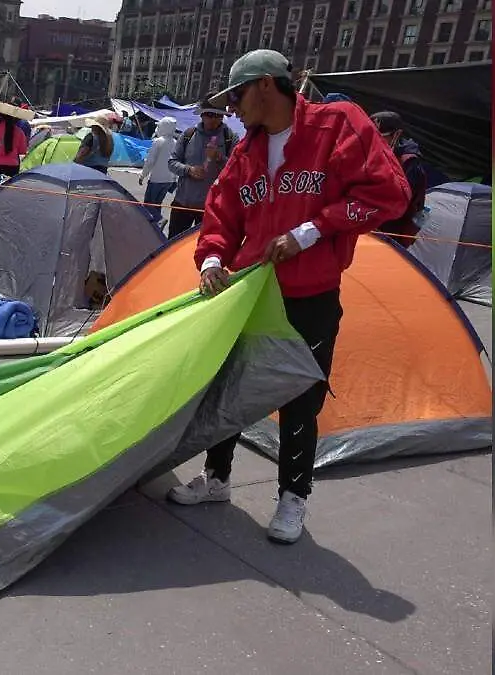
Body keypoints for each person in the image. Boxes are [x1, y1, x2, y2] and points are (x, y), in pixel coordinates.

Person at [169, 49, 410, 544]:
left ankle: (293, 497)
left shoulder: (337, 125)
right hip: (249, 293)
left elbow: (389, 195)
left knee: (301, 397)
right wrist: (212, 259)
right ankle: (216, 478)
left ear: (263, 86)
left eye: (235, 95)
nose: (231, 108)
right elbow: (222, 215)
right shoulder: (247, 151)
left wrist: (312, 232)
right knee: (229, 385)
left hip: (310, 293)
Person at [165, 95, 238, 238]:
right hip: (183, 204)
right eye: (210, 115)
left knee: (204, 249)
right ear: (202, 115)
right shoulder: (188, 135)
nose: (214, 119)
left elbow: (237, 170)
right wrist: (189, 170)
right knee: (173, 246)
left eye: (219, 115)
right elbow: (172, 162)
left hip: (212, 209)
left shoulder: (230, 138)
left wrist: (219, 157)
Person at [370, 111, 435, 248]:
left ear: (397, 134)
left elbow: (400, 202)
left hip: (392, 233)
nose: (375, 142)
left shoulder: (410, 164)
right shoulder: (371, 152)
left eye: (381, 137)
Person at [138, 116, 178, 224]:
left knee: (148, 204)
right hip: (169, 180)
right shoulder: (175, 142)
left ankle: (159, 220)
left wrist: (143, 175)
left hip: (156, 179)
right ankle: (155, 225)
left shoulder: (158, 141)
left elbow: (150, 161)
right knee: (157, 203)